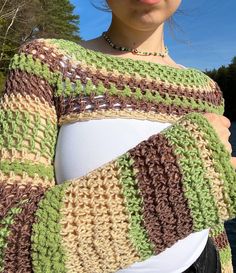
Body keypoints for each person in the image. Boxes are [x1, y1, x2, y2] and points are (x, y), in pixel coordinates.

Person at [0, 0, 235, 272]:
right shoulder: (48, 62)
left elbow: (211, 221)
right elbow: (10, 244)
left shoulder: (207, 91)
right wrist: (178, 169)